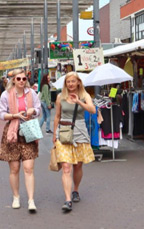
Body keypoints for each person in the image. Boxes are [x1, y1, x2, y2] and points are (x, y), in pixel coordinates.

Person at [52, 72, 96, 212]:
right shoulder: (60, 97)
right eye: (68, 81)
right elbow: (57, 116)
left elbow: (93, 110)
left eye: (72, 81)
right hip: (64, 132)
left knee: (77, 165)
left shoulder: (84, 95)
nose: (70, 84)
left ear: (78, 82)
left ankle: (75, 190)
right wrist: (54, 134)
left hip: (80, 131)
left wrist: (78, 102)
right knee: (66, 167)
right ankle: (67, 199)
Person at [0, 69, 41, 212]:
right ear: (13, 80)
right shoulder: (6, 94)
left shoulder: (31, 93)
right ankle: (16, 197)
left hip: (28, 130)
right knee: (14, 168)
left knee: (29, 168)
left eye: (24, 78)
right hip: (13, 132)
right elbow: (1, 114)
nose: (22, 81)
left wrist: (33, 111)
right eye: (18, 79)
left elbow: (38, 109)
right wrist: (14, 115)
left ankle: (31, 200)